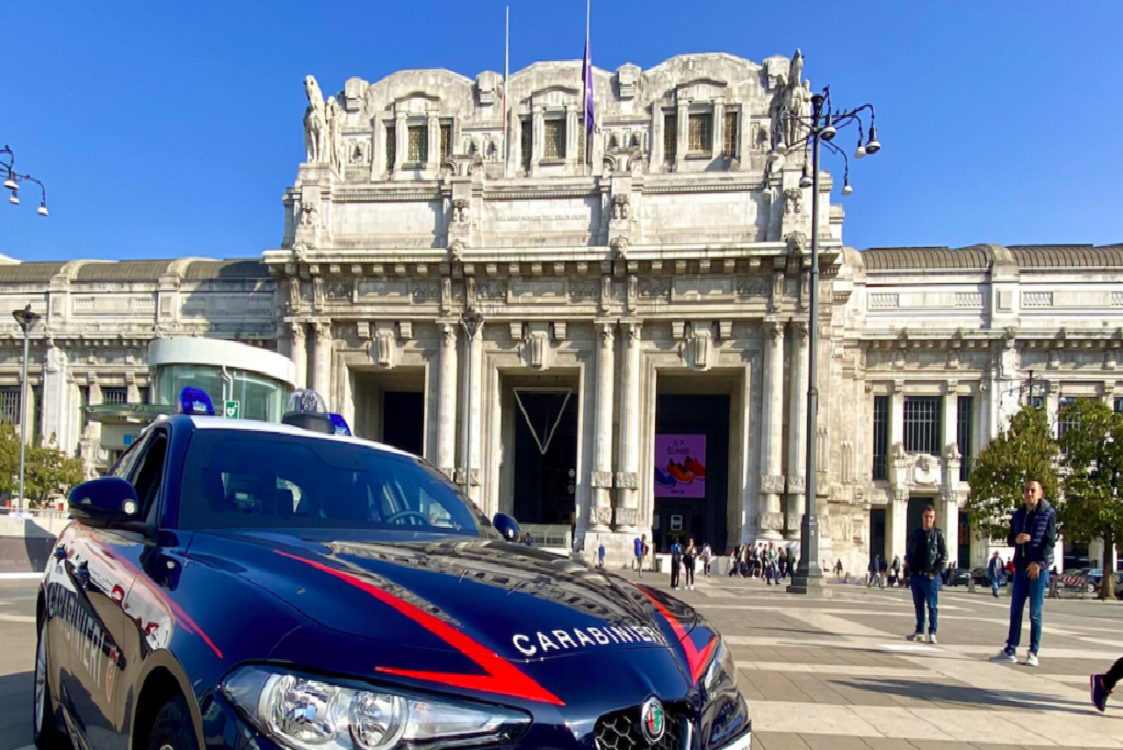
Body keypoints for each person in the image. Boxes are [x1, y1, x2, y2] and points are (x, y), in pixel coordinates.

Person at [991, 479, 1056, 667]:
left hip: (1037, 569)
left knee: (1035, 613)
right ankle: (1010, 649)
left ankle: (1033, 652)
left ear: (1040, 493)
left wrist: (1039, 563)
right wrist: (1016, 540)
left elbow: (1050, 542)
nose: (1029, 494)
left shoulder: (1048, 513)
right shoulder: (1019, 514)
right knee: (1015, 611)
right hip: (1020, 567)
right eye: (1027, 490)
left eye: (1033, 490)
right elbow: (1010, 538)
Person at [906, 505, 947, 644]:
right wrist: (910, 570)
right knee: (918, 605)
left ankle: (933, 632)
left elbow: (944, 555)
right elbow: (910, 552)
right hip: (916, 575)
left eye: (931, 517)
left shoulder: (938, 535)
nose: (928, 519)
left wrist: (935, 571)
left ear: (934, 518)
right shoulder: (916, 534)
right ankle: (919, 631)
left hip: (930, 577)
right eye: (926, 517)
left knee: (932, 605)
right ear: (922, 517)